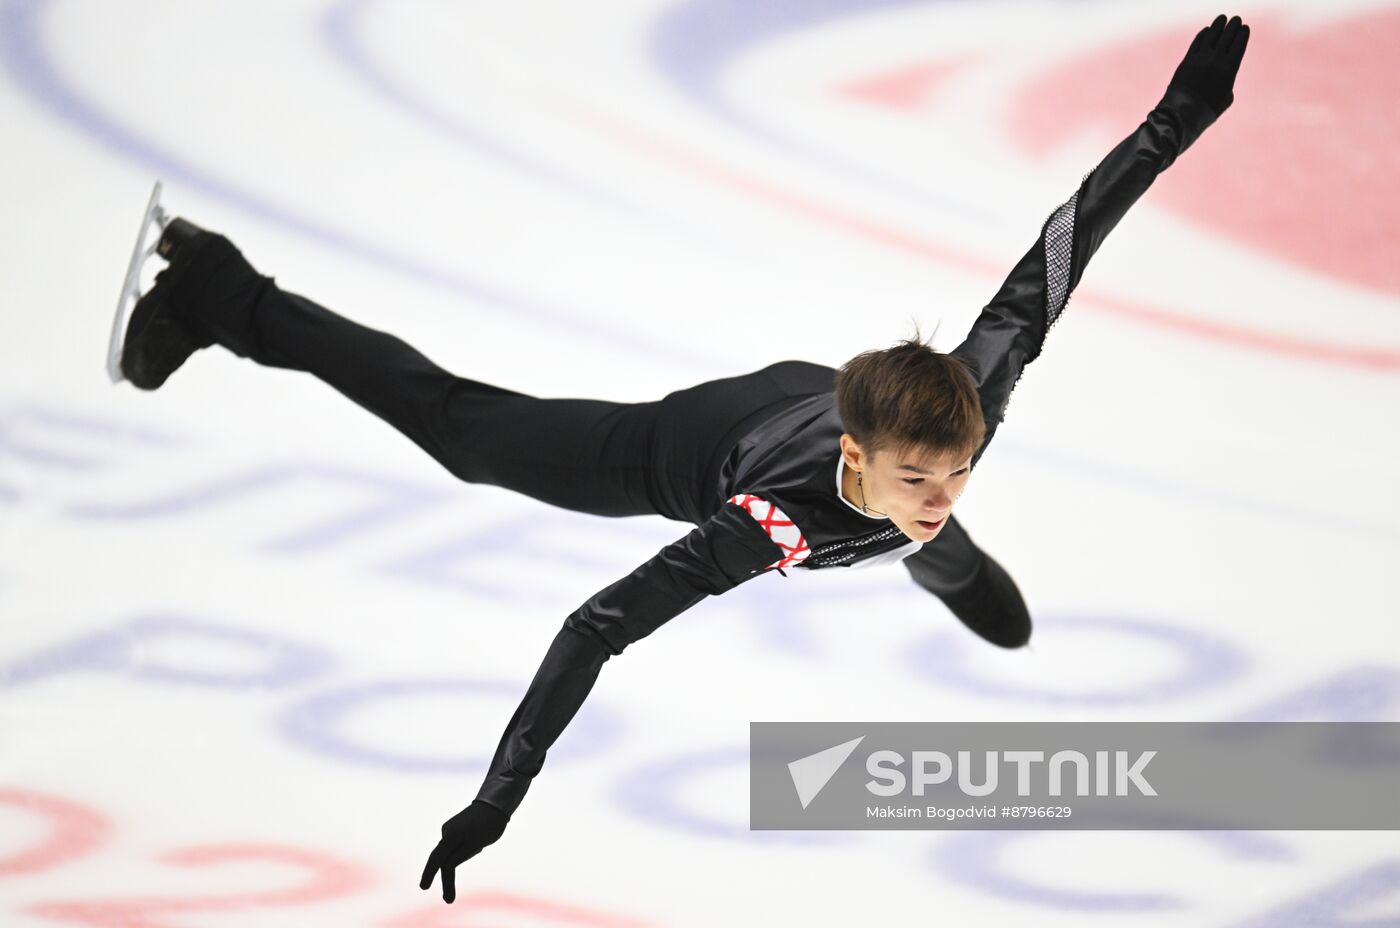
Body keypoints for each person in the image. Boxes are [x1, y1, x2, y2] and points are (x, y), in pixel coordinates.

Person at [112, 14, 1248, 903]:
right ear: (860, 453)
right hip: (689, 444)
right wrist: (500, 793)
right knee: (464, 436)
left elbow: (1066, 234)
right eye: (921, 478)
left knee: (933, 543)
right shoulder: (765, 525)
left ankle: (933, 562)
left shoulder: (967, 399)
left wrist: (1177, 115)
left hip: (837, 417)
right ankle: (223, 291)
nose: (946, 489)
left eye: (958, 470)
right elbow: (594, 626)